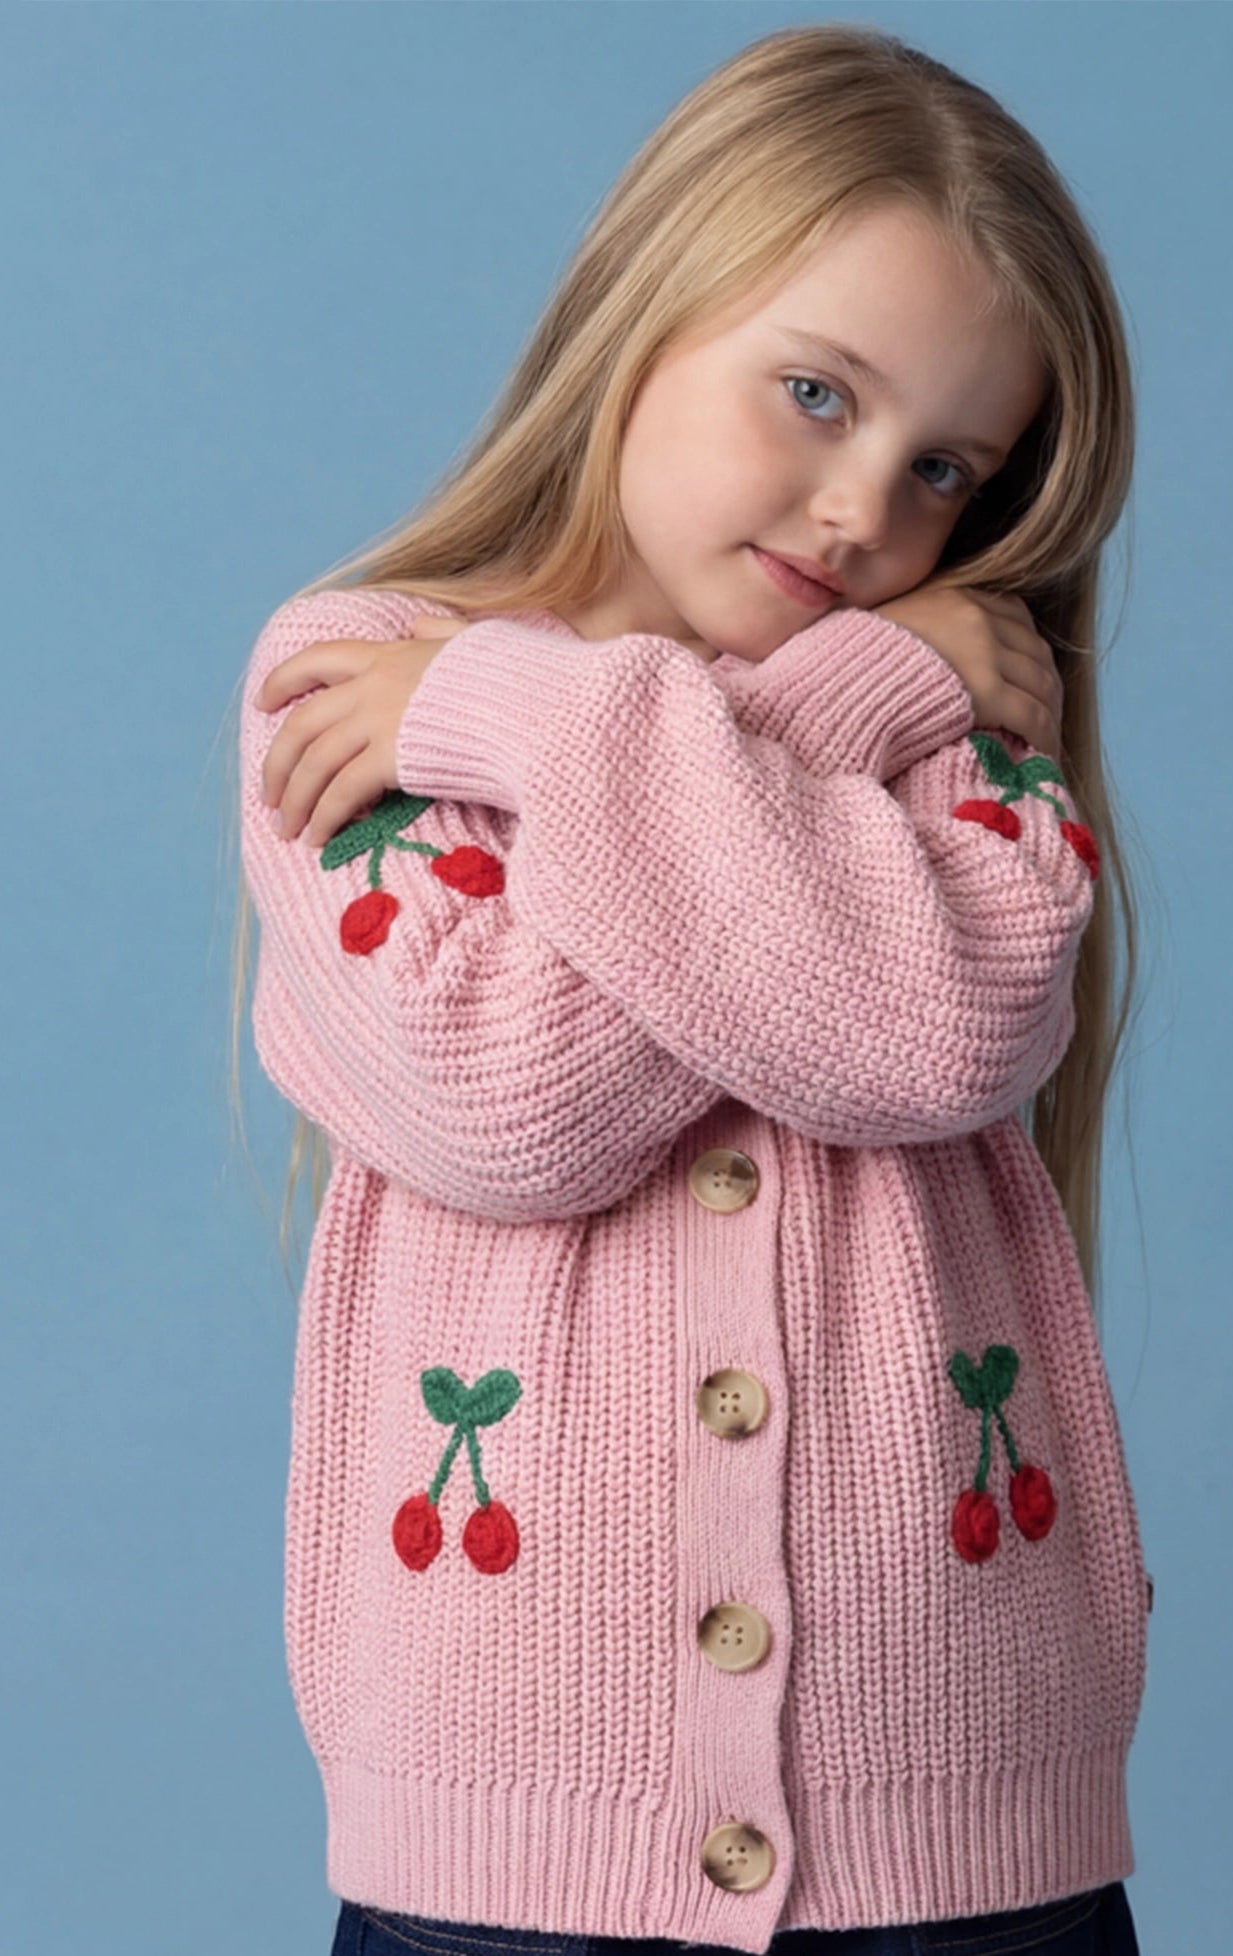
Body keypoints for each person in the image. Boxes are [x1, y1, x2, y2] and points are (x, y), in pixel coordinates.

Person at [230, 22, 1152, 1956]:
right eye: (815, 392)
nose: (863, 513)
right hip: (504, 1842)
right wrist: (828, 699)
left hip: (965, 1828)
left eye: (945, 470)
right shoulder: (360, 685)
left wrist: (560, 740)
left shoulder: (968, 727)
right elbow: (510, 1095)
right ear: (640, 313)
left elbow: (936, 1032)